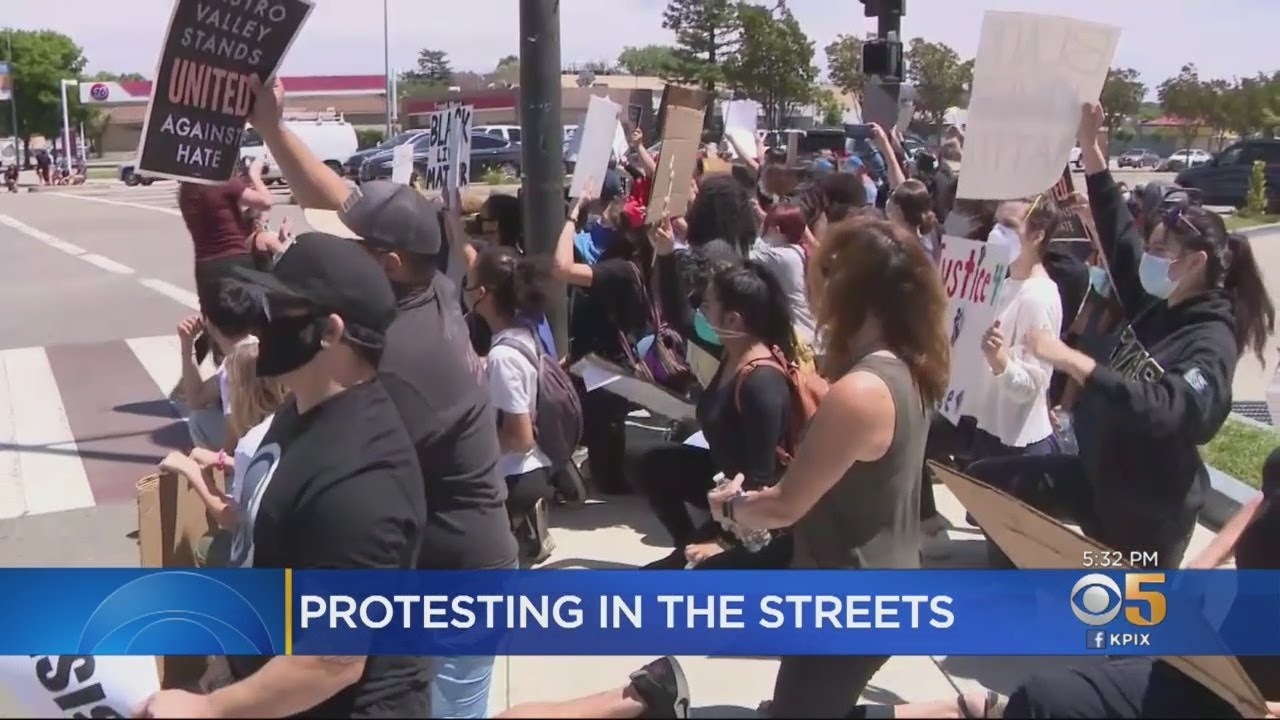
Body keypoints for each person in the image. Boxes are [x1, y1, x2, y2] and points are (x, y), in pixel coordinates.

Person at [251, 77, 513, 719]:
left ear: (388, 262)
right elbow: (335, 196)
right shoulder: (433, 274)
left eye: (354, 248)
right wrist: (271, 127)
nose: (342, 247)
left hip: (458, 580)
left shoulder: (399, 358)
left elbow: (343, 465)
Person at [136, 232, 429, 718]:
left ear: (330, 331)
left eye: (278, 308)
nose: (262, 321)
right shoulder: (302, 409)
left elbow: (330, 660)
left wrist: (208, 710)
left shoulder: (363, 478)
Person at [994, 102, 1276, 569]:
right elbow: (1119, 232)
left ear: (1195, 263)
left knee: (1130, 632)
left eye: (1161, 250)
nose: (1149, 256)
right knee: (992, 486)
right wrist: (1090, 150)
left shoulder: (1210, 339)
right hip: (1095, 478)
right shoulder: (1156, 297)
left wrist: (1072, 361)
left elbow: (1176, 410)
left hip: (1149, 511)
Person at [707, 217, 951, 717]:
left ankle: (954, 709)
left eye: (821, 270)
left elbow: (783, 506)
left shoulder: (861, 390)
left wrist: (730, 510)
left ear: (848, 291)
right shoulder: (911, 365)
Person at [634, 253, 796, 570]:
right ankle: (687, 546)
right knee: (651, 463)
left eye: (707, 305)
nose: (700, 311)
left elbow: (759, 482)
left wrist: (720, 543)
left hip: (757, 515)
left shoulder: (762, 382)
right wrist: (665, 255)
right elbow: (679, 317)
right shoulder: (733, 349)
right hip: (724, 485)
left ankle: (700, 556)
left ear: (733, 319)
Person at [554, 186, 653, 495]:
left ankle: (611, 481)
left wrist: (572, 217)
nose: (599, 223)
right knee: (602, 425)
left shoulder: (621, 269)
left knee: (602, 425)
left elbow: (563, 269)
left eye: (607, 219)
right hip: (600, 358)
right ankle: (607, 476)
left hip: (607, 365)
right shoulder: (631, 262)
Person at [465, 244, 559, 564]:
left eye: (468, 286)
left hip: (517, 475)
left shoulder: (502, 356)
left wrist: (468, 445)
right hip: (537, 464)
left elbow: (519, 439)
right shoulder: (525, 332)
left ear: (482, 293)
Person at [158, 338, 286, 568]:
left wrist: (192, 472)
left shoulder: (251, 444)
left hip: (271, 556)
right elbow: (272, 470)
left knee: (208, 547)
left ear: (240, 391)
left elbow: (233, 519)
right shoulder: (286, 421)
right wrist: (222, 460)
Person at [179, 157, 274, 321]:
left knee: (214, 322)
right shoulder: (223, 182)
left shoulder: (185, 191)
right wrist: (254, 175)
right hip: (234, 260)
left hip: (205, 266)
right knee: (249, 320)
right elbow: (266, 202)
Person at [175, 280, 262, 452]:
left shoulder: (232, 368)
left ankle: (221, 479)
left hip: (251, 445)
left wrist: (222, 463)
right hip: (273, 437)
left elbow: (233, 430)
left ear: (208, 322)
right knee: (210, 408)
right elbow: (197, 397)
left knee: (198, 420)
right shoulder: (259, 346)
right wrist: (188, 345)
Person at [752, 201, 817, 347]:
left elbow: (745, 254)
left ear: (776, 230)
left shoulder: (782, 257)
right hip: (807, 333)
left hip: (799, 337)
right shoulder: (799, 251)